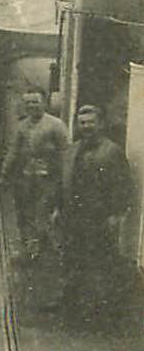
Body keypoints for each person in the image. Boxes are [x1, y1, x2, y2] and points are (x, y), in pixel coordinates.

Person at [56, 104, 134, 329]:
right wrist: (57, 209)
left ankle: (100, 317)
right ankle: (73, 314)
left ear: (100, 124)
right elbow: (62, 183)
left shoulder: (111, 152)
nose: (87, 127)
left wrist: (116, 215)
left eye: (91, 122)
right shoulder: (71, 151)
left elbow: (123, 186)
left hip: (99, 221)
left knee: (99, 267)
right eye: (82, 123)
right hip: (73, 219)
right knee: (72, 264)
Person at [0, 87, 67, 264]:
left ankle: (46, 249)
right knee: (24, 213)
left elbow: (65, 153)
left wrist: (65, 178)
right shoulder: (22, 126)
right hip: (26, 177)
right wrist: (5, 174)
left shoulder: (56, 125)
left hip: (49, 178)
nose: (31, 106)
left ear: (44, 103)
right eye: (28, 102)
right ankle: (30, 248)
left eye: (35, 102)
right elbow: (13, 151)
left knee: (43, 213)